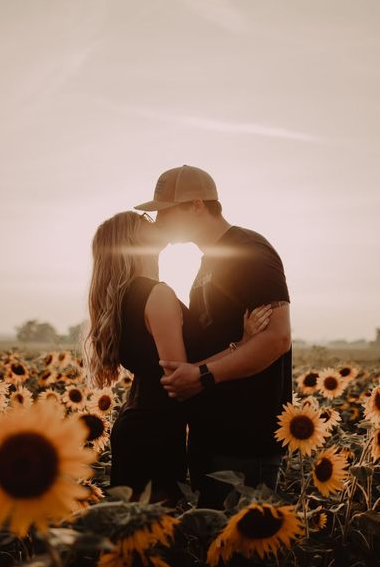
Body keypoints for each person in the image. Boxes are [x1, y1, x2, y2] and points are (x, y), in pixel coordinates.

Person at [81, 209, 272, 507]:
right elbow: (179, 377)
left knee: (137, 536)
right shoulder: (156, 294)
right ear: (132, 240)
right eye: (144, 221)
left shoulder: (124, 298)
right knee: (153, 533)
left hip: (140, 424)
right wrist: (241, 344)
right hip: (154, 434)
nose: (154, 219)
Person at [133, 164, 292, 508]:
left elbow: (277, 338)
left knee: (247, 553)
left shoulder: (249, 252)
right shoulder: (209, 262)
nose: (160, 222)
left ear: (196, 206)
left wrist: (202, 376)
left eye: (165, 213)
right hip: (211, 436)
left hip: (246, 440)